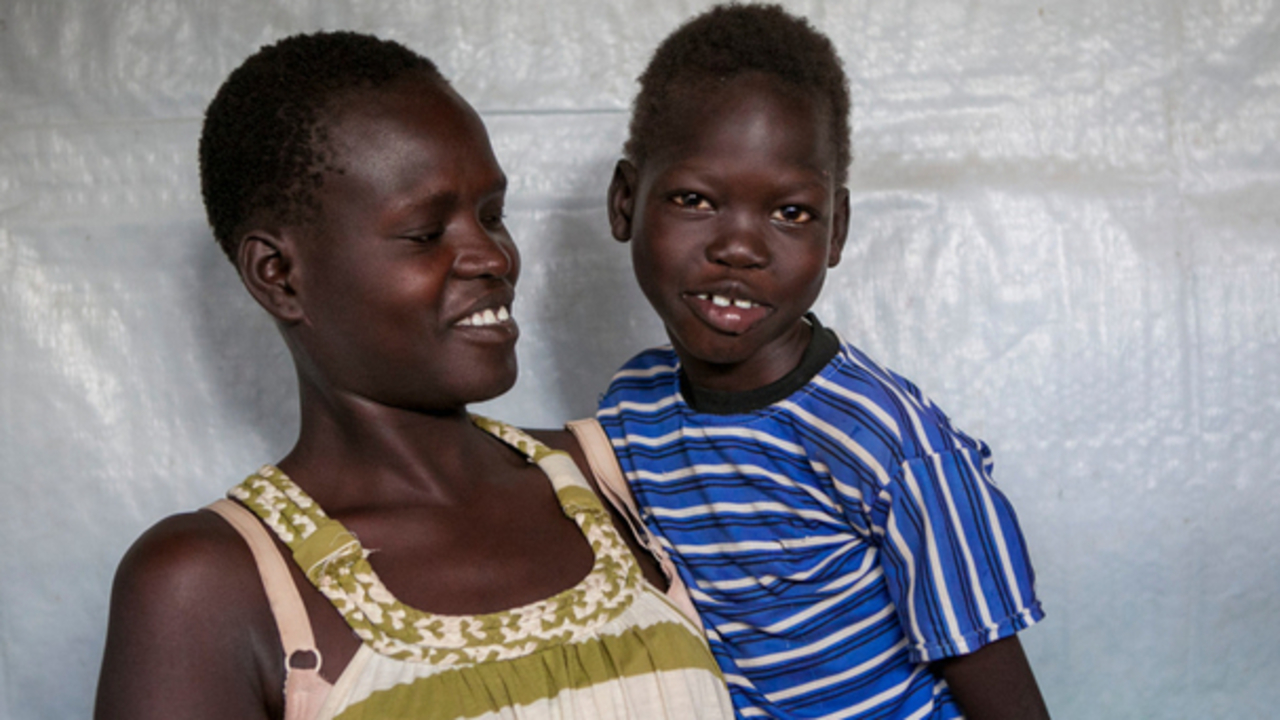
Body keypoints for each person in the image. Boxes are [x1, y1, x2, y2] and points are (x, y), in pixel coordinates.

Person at [94, 31, 734, 720]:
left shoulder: (622, 475)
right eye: (426, 234)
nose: (491, 256)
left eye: (492, 215)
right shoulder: (208, 584)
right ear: (279, 276)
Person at [595, 5, 1050, 719]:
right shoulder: (632, 408)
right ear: (625, 202)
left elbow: (996, 682)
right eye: (695, 199)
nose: (739, 247)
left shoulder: (889, 441)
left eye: (791, 213)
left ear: (836, 230)